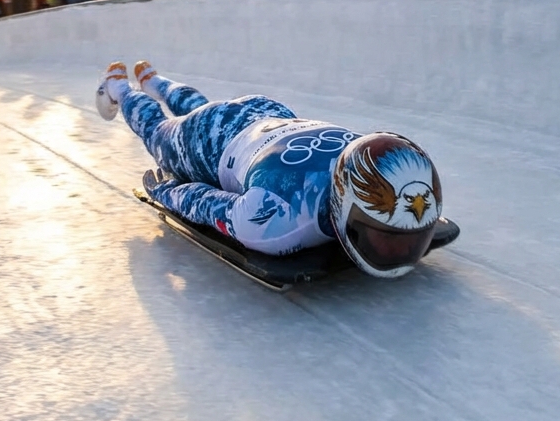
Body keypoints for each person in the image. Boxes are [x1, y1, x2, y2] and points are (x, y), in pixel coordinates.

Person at [95, 60, 445, 278]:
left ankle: (155, 82)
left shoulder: (381, 157)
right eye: (387, 241)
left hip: (268, 113)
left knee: (206, 111)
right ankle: (120, 88)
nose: (405, 248)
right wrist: (166, 191)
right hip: (215, 142)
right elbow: (205, 203)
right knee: (159, 134)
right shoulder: (275, 222)